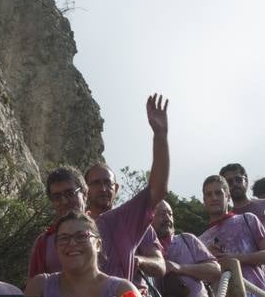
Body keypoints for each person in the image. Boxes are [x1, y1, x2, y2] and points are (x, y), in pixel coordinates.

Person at [28, 95, 170, 282]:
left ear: (85, 193)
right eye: (56, 197)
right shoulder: (45, 243)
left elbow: (157, 190)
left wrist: (160, 136)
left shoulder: (118, 222)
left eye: (70, 193)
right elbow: (36, 295)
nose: (63, 201)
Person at [221, 165, 265, 296]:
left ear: (246, 181)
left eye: (238, 179)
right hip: (252, 278)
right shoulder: (229, 219)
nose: (235, 184)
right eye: (229, 182)